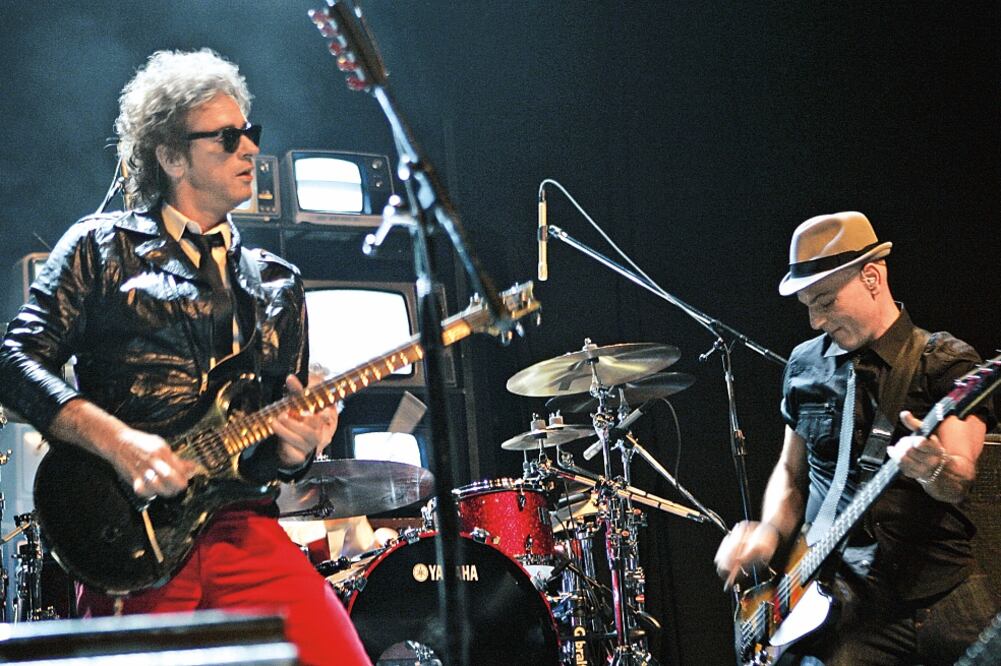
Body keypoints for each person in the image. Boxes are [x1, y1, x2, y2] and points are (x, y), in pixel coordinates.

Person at [0, 49, 371, 666]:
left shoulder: (278, 284)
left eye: (249, 132)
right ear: (171, 155)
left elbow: (277, 455)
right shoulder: (100, 247)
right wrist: (119, 442)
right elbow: (14, 361)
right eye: (226, 138)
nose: (250, 149)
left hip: (242, 526)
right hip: (130, 530)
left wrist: (297, 447)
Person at [714, 212, 997, 665]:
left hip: (939, 594)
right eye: (807, 304)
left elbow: (959, 476)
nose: (814, 320)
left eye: (824, 300)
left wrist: (934, 468)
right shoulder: (804, 365)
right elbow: (791, 472)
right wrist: (767, 533)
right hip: (842, 598)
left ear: (871, 276)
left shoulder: (945, 361)